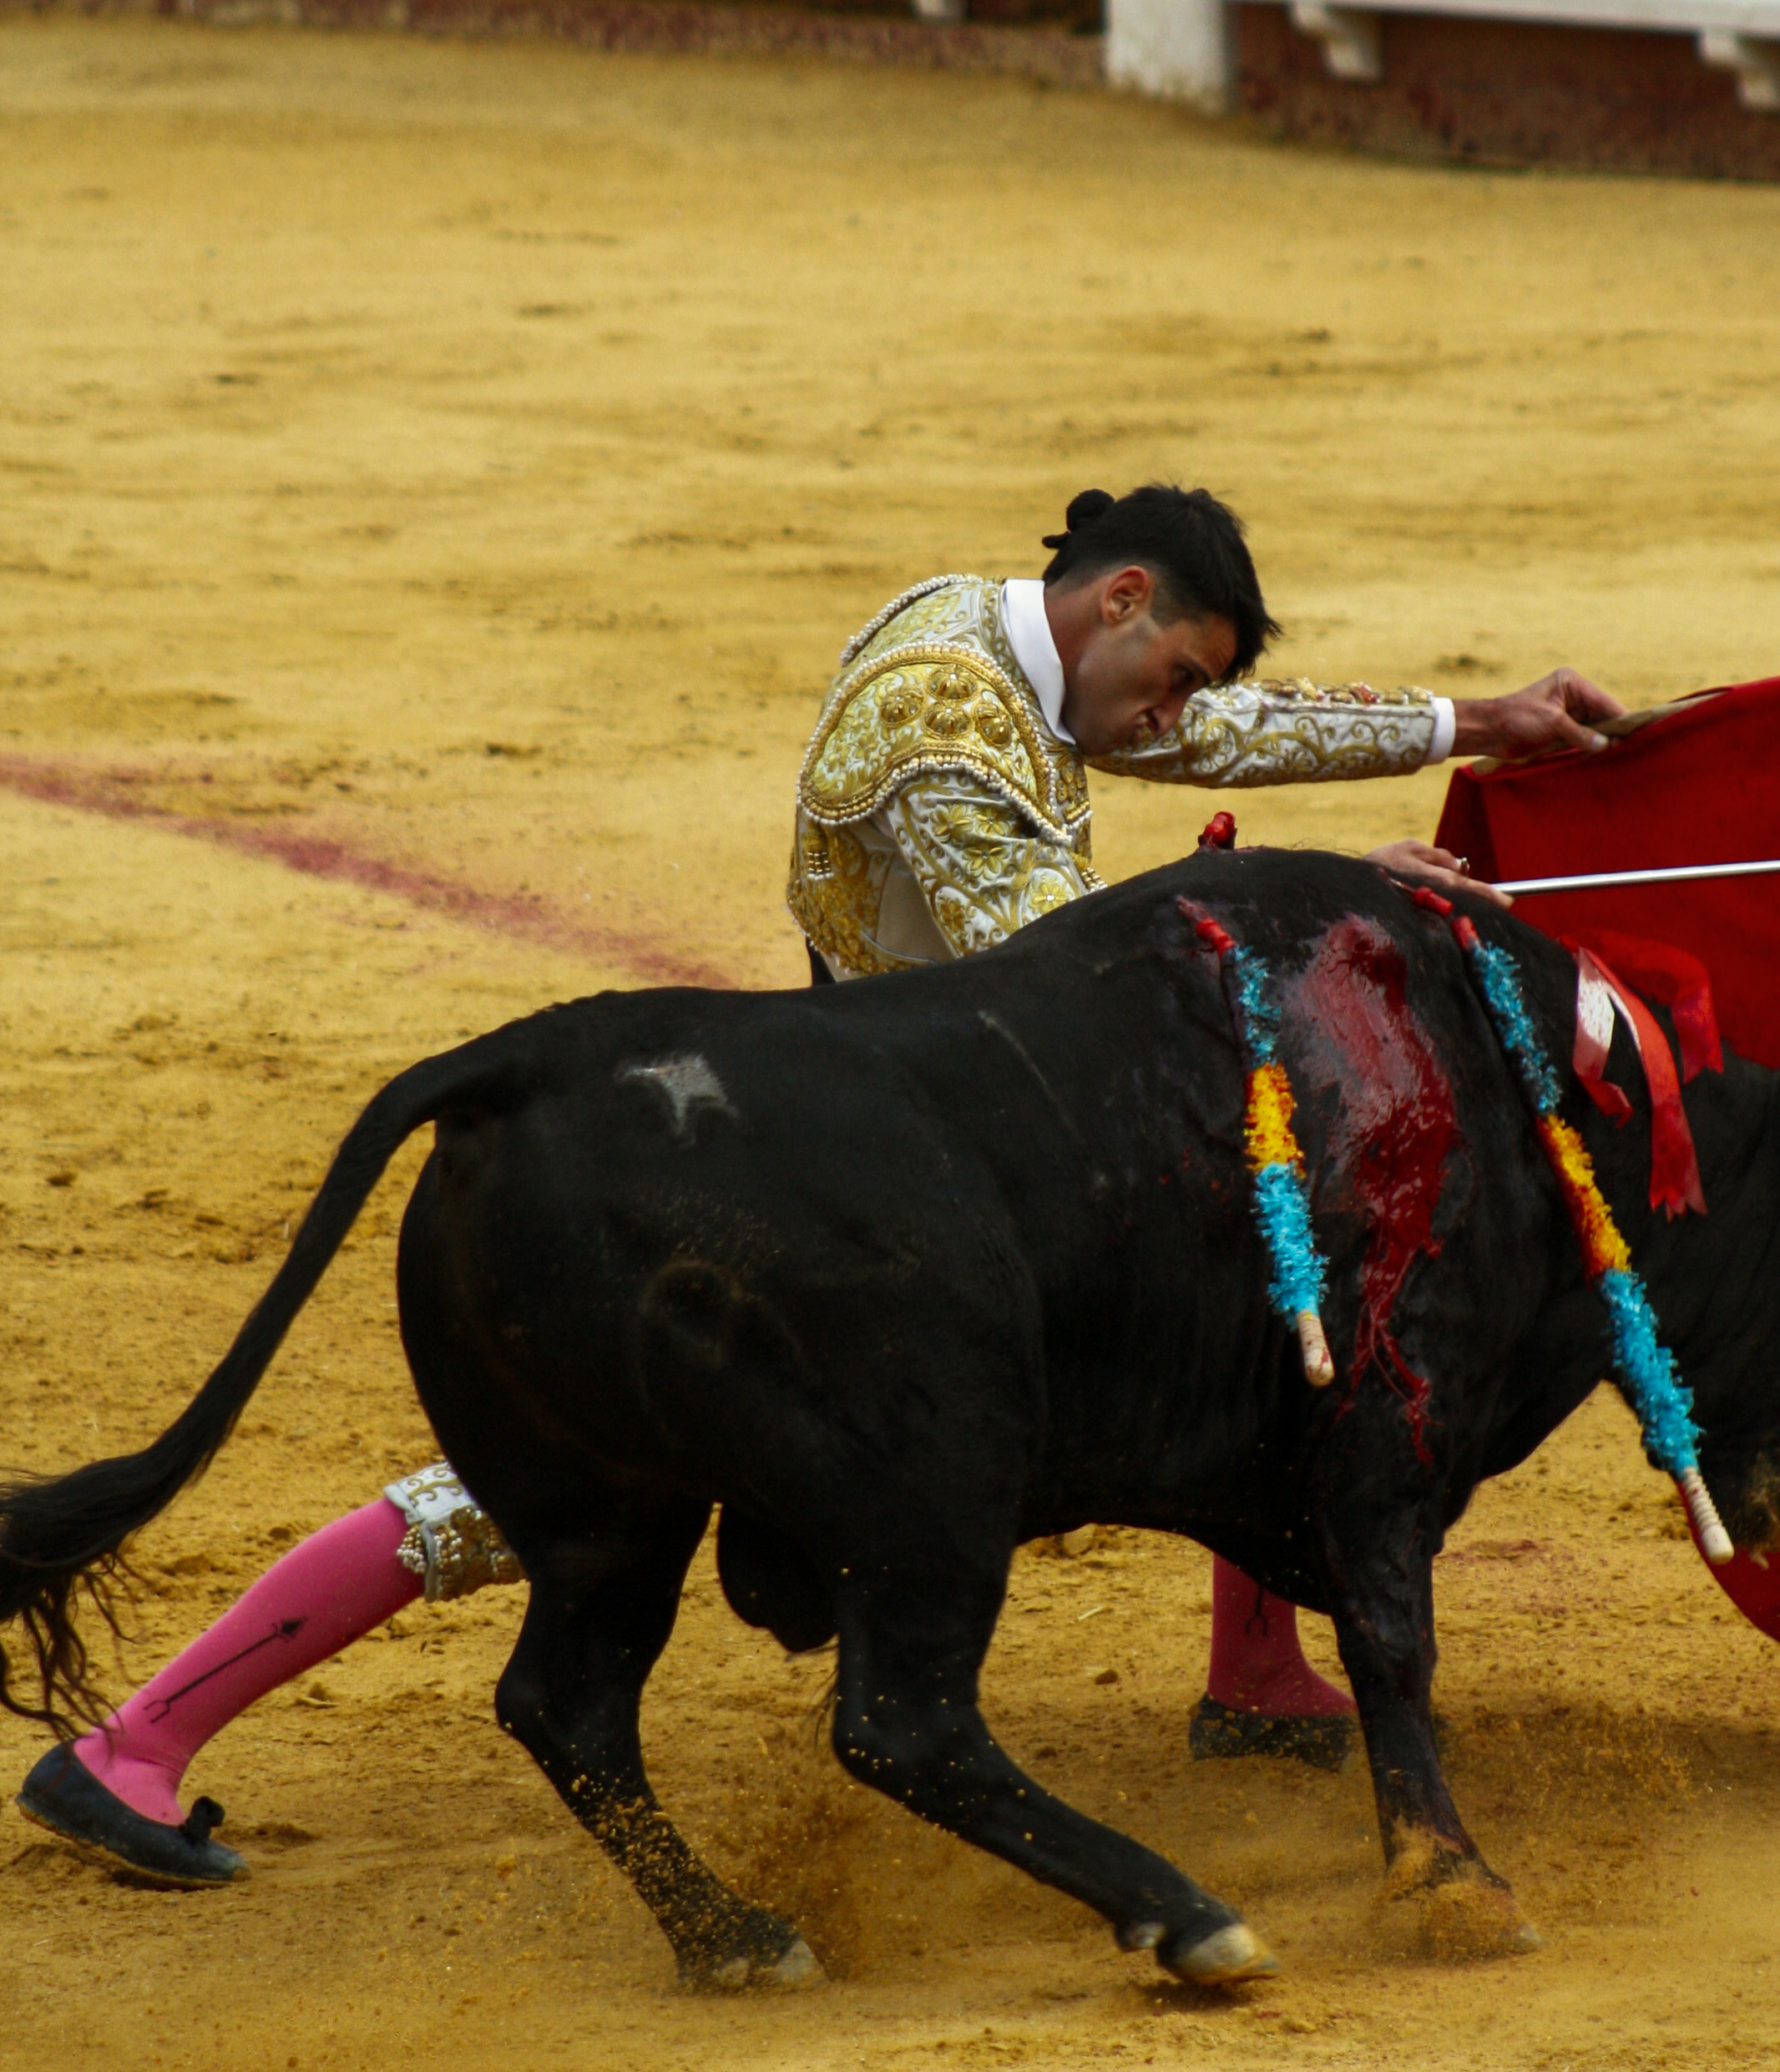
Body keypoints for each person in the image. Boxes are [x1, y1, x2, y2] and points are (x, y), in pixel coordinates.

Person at [18, 484, 1617, 1886]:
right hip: (883, 1186)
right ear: (1123, 600)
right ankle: (137, 1742)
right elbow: (1073, 972)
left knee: (1251, 1267)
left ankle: (1256, 1674)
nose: (1175, 711)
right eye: (1178, 669)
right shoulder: (943, 720)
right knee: (568, 1472)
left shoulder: (1004, 636)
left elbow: (1198, 732)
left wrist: (1475, 722)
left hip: (921, 1121)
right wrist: (1313, 892)